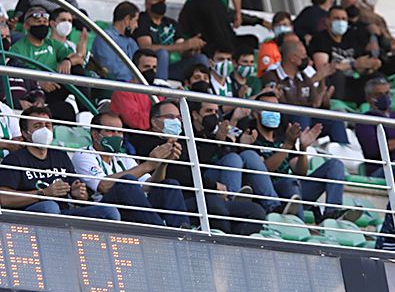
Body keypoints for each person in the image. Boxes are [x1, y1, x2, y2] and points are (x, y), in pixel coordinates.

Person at [128, 101, 266, 235]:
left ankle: (237, 243)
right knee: (214, 205)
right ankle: (223, 244)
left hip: (202, 195)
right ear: (154, 122)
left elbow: (200, 162)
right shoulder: (146, 141)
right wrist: (213, 185)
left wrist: (225, 142)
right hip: (178, 201)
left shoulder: (183, 141)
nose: (176, 121)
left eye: (179, 118)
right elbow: (177, 174)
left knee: (256, 211)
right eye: (170, 117)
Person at [0, 106, 120, 219]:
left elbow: (79, 193)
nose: (44, 130)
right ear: (24, 133)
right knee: (49, 206)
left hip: (64, 213)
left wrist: (79, 194)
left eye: (48, 125)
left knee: (109, 211)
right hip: (32, 214)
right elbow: (4, 199)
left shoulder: (60, 156)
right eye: (37, 126)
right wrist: (44, 193)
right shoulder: (14, 159)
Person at [71, 111, 188, 226]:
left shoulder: (123, 158)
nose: (117, 135)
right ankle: (161, 229)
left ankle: (183, 232)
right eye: (111, 131)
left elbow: (149, 185)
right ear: (95, 134)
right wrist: (149, 164)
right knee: (126, 182)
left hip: (131, 207)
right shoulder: (83, 154)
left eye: (120, 131)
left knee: (169, 185)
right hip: (104, 209)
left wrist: (162, 163)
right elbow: (103, 185)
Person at [248, 90, 347, 220]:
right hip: (272, 192)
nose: (273, 112)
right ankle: (300, 226)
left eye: (276, 109)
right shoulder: (252, 137)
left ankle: (331, 214)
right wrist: (287, 146)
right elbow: (265, 170)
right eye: (268, 108)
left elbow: (300, 172)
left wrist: (303, 148)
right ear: (255, 113)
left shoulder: (283, 138)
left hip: (294, 191)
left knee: (335, 165)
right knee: (290, 182)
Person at [190, 98, 280, 212]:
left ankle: (273, 206)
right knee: (233, 159)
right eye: (208, 111)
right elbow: (199, 161)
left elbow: (230, 154)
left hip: (228, 178)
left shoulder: (219, 130)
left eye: (216, 112)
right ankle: (233, 204)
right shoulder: (188, 133)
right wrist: (217, 142)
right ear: (195, 115)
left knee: (249, 155)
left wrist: (241, 145)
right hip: (204, 180)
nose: (213, 115)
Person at [261, 38, 348, 144]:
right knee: (301, 114)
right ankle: (303, 150)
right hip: (284, 120)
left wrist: (322, 80)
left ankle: (344, 153)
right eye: (304, 55)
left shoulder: (304, 77)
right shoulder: (271, 76)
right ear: (293, 58)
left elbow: (315, 103)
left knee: (335, 119)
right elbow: (279, 102)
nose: (307, 59)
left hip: (307, 118)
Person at [308, 5, 380, 103]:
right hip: (333, 83)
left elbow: (360, 63)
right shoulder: (320, 38)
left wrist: (370, 65)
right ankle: (338, 107)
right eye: (336, 18)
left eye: (343, 19)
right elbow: (323, 68)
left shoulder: (351, 37)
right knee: (338, 75)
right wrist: (353, 65)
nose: (341, 22)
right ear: (328, 21)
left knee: (377, 77)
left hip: (353, 80)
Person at [134, 0, 207, 82]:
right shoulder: (142, 20)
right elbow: (146, 47)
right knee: (162, 53)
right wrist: (181, 46)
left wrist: (191, 48)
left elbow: (181, 49)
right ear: (147, 4)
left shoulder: (172, 23)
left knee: (201, 58)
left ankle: (203, 90)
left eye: (163, 1)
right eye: (157, 0)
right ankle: (160, 86)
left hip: (173, 68)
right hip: (152, 69)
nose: (161, 3)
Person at [10, 6, 76, 102]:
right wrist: (38, 83)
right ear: (26, 26)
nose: (42, 25)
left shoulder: (52, 43)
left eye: (45, 22)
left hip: (54, 85)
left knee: (77, 70)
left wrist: (68, 60)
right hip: (33, 91)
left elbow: (77, 57)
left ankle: (86, 111)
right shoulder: (17, 48)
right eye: (38, 22)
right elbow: (16, 76)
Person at [353, 77, 395, 169]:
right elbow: (373, 150)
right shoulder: (365, 121)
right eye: (378, 94)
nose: (384, 97)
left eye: (387, 93)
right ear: (369, 98)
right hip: (384, 168)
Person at [108, 49, 158, 131]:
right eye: (146, 67)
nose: (151, 71)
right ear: (134, 68)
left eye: (154, 67)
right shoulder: (123, 91)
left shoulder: (158, 91)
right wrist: (160, 120)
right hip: (133, 135)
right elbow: (134, 120)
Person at [91, 1, 139, 82]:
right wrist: (134, 78)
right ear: (127, 19)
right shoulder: (104, 38)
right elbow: (109, 68)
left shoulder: (132, 42)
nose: (137, 25)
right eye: (135, 20)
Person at [49, 8, 89, 72]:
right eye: (63, 20)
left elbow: (81, 61)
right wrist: (78, 56)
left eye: (70, 21)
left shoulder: (72, 46)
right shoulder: (47, 44)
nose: (67, 23)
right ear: (53, 24)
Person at [257, 11, 293, 76]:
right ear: (273, 28)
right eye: (278, 25)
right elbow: (269, 72)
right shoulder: (267, 47)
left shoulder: (298, 45)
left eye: (285, 25)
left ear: (291, 27)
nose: (282, 28)